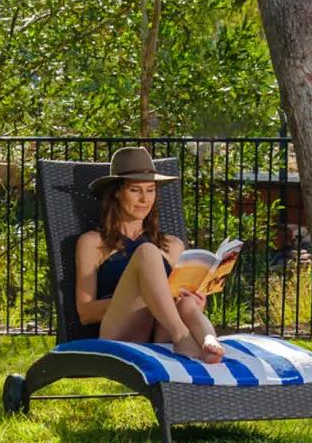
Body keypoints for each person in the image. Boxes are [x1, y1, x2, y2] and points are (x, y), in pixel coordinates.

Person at [74, 145, 224, 364]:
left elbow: (182, 304)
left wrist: (194, 301)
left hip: (160, 333)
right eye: (135, 190)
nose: (144, 199)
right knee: (147, 253)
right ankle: (182, 337)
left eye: (151, 190)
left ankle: (209, 339)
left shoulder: (172, 245)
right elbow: (85, 312)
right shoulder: (93, 243)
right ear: (117, 192)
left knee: (187, 303)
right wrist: (151, 298)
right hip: (119, 333)